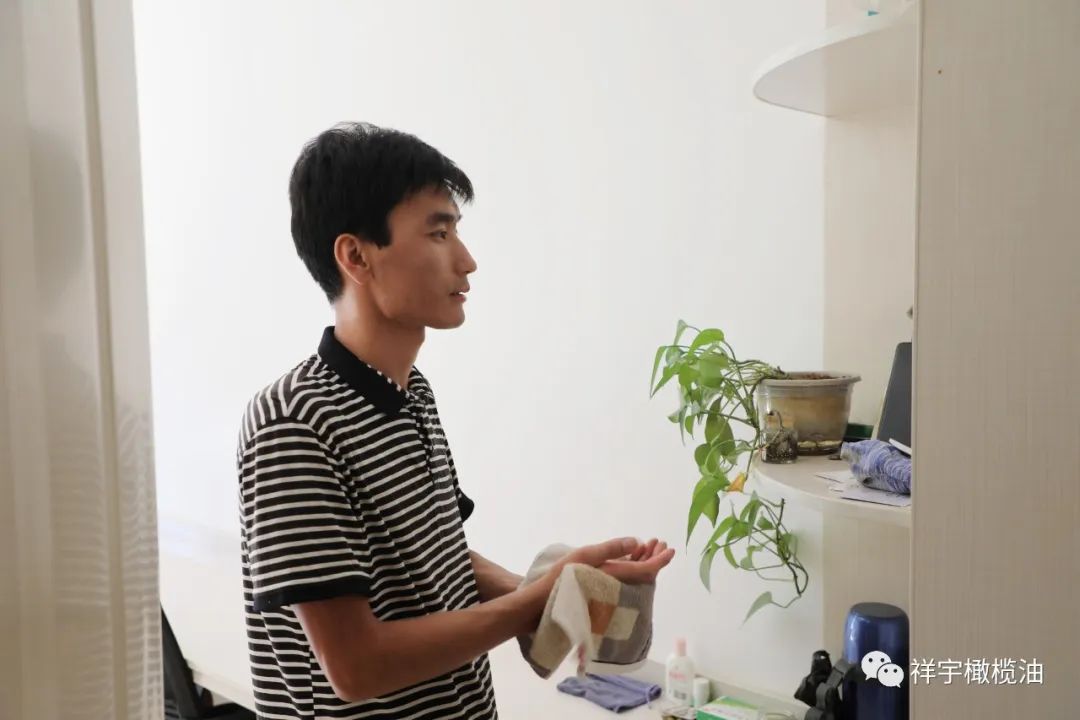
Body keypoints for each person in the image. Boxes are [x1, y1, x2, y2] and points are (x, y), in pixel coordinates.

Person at [236, 122, 675, 720]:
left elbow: (439, 555)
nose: (467, 261)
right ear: (356, 256)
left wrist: (562, 590)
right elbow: (357, 667)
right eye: (438, 233)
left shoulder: (412, 393)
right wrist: (536, 601)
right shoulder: (291, 423)